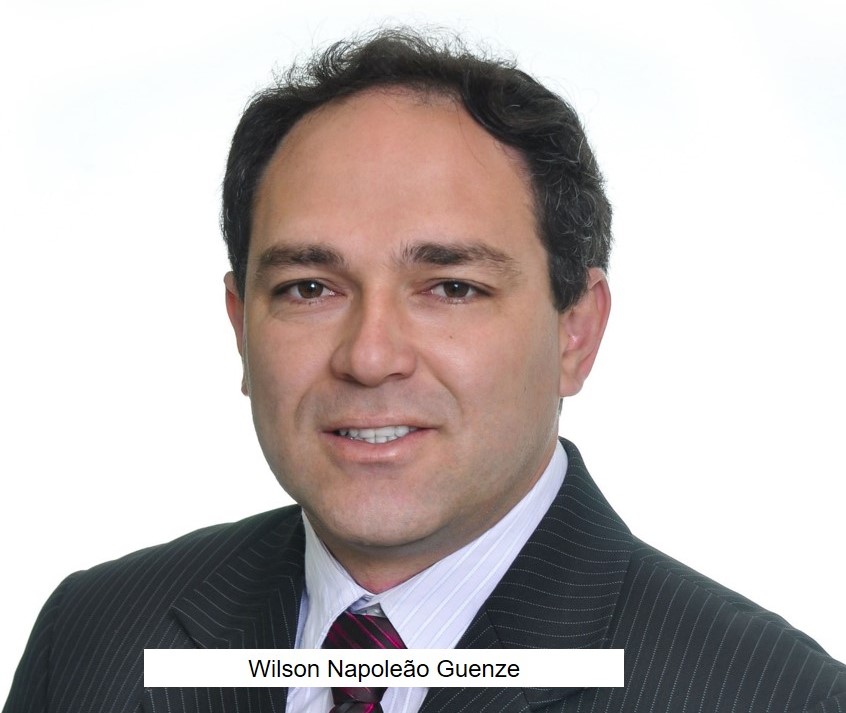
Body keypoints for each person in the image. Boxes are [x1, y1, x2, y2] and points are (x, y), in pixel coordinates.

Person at [4, 28, 845, 713]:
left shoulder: (773, 696)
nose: (370, 356)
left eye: (451, 287)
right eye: (309, 287)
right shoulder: (94, 638)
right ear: (240, 326)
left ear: (576, 332)